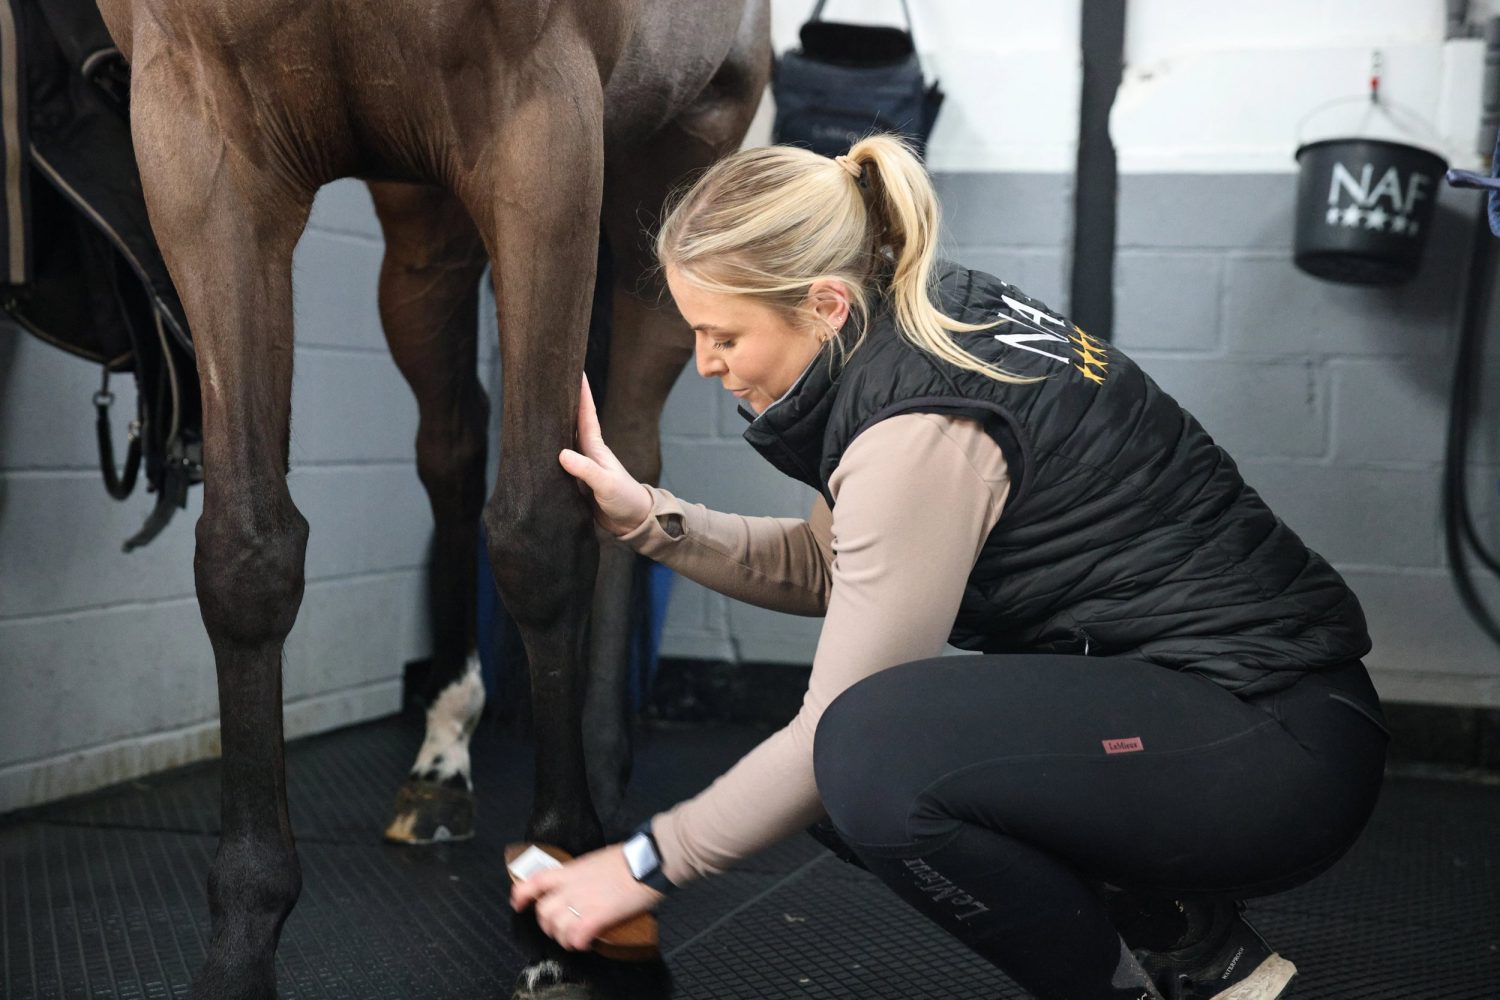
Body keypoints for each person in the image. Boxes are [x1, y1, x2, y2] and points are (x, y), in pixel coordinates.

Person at [509, 135, 1389, 1000]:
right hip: (1238, 712)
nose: (706, 363)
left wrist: (640, 865)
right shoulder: (912, 326)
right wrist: (651, 519)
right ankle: (1194, 951)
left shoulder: (913, 428)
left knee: (867, 754)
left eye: (723, 335)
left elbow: (829, 740)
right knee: (874, 752)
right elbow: (834, 564)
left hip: (1272, 751)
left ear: (824, 305)